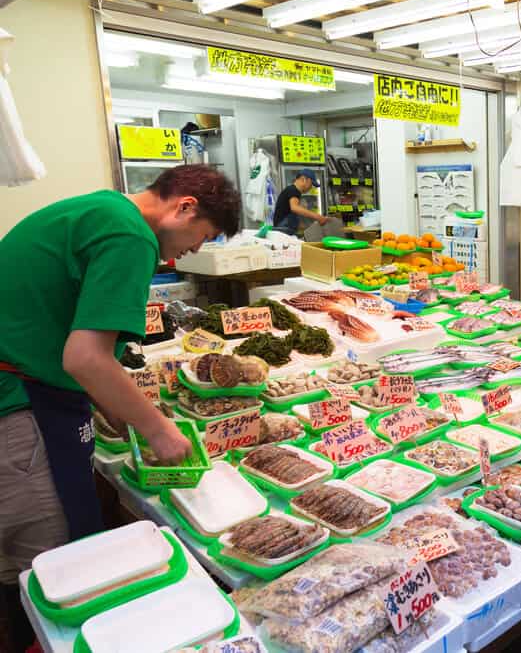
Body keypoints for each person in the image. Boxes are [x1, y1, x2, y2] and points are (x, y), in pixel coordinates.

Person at [0, 164, 241, 652]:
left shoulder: (99, 210)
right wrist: (157, 428)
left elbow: (62, 335)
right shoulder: (131, 234)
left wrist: (117, 401)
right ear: (184, 207)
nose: (196, 249)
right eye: (204, 235)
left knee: (17, 570)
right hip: (20, 408)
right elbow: (85, 358)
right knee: (58, 578)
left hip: (26, 390)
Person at [272, 169, 328, 235]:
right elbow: (295, 208)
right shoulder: (293, 190)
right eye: (311, 184)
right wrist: (318, 217)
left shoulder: (293, 191)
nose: (311, 187)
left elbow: (291, 213)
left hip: (284, 230)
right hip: (282, 231)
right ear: (303, 179)